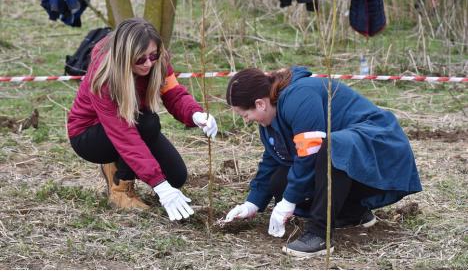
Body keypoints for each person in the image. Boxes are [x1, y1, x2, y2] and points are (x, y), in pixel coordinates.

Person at [224, 66, 422, 257]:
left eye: (245, 115)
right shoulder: (269, 120)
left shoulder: (299, 97)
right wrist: (252, 204)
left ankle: (319, 235)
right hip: (348, 161)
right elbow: (273, 158)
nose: (247, 120)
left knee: (334, 146)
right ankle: (353, 212)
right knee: (279, 182)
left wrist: (290, 201)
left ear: (260, 104)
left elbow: (310, 153)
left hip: (379, 150)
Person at [67, 18, 217, 221]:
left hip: (133, 124)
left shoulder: (158, 60)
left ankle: (123, 167)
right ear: (125, 57)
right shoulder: (105, 79)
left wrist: (195, 114)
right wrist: (159, 185)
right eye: (140, 59)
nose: (148, 63)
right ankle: (121, 188)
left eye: (153, 56)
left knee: (176, 177)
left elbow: (173, 93)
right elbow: (125, 137)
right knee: (148, 123)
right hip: (89, 135)